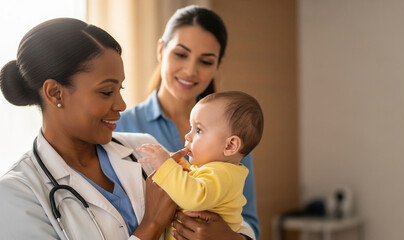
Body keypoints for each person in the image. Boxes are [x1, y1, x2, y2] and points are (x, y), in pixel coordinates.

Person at [0, 18, 255, 240]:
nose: (121, 105)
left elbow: (226, 214)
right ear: (55, 92)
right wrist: (151, 226)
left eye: (120, 89)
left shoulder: (142, 148)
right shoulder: (18, 193)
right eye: (106, 91)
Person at [115, 5, 261, 238]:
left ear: (217, 66)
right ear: (161, 50)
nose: (190, 70)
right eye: (181, 54)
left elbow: (248, 219)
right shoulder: (120, 126)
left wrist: (229, 237)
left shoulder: (234, 135)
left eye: (205, 61)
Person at [137, 91, 264, 240]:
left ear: (230, 146)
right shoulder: (216, 171)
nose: (188, 136)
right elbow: (198, 183)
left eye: (199, 130)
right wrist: (181, 168)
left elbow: (194, 197)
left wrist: (166, 167)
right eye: (191, 128)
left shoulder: (224, 174)